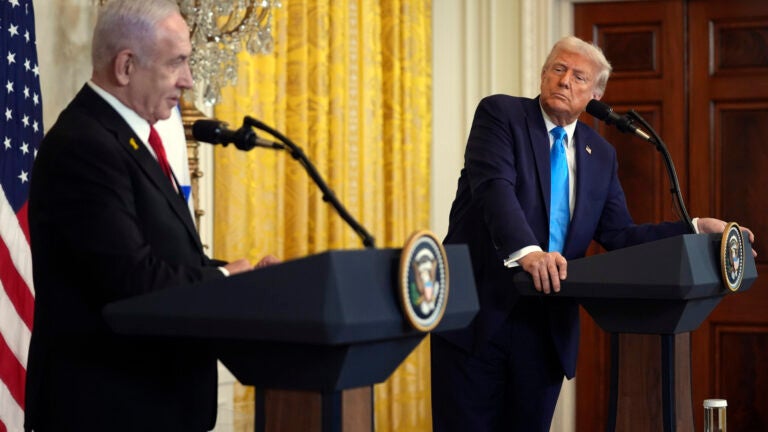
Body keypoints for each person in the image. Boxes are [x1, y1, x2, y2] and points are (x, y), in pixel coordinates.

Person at [430, 35, 756, 432]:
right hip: (478, 316)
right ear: (543, 74)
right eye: (558, 69)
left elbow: (620, 235)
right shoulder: (502, 115)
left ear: (596, 96)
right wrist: (529, 251)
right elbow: (494, 189)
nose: (565, 80)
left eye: (579, 77)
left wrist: (696, 228)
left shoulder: (600, 154)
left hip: (545, 328)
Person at [24, 1, 278, 430]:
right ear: (126, 66)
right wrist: (225, 280)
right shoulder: (83, 145)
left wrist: (246, 280)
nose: (188, 80)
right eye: (176, 62)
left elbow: (167, 260)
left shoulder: (129, 138)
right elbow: (131, 280)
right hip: (109, 412)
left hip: (155, 405)